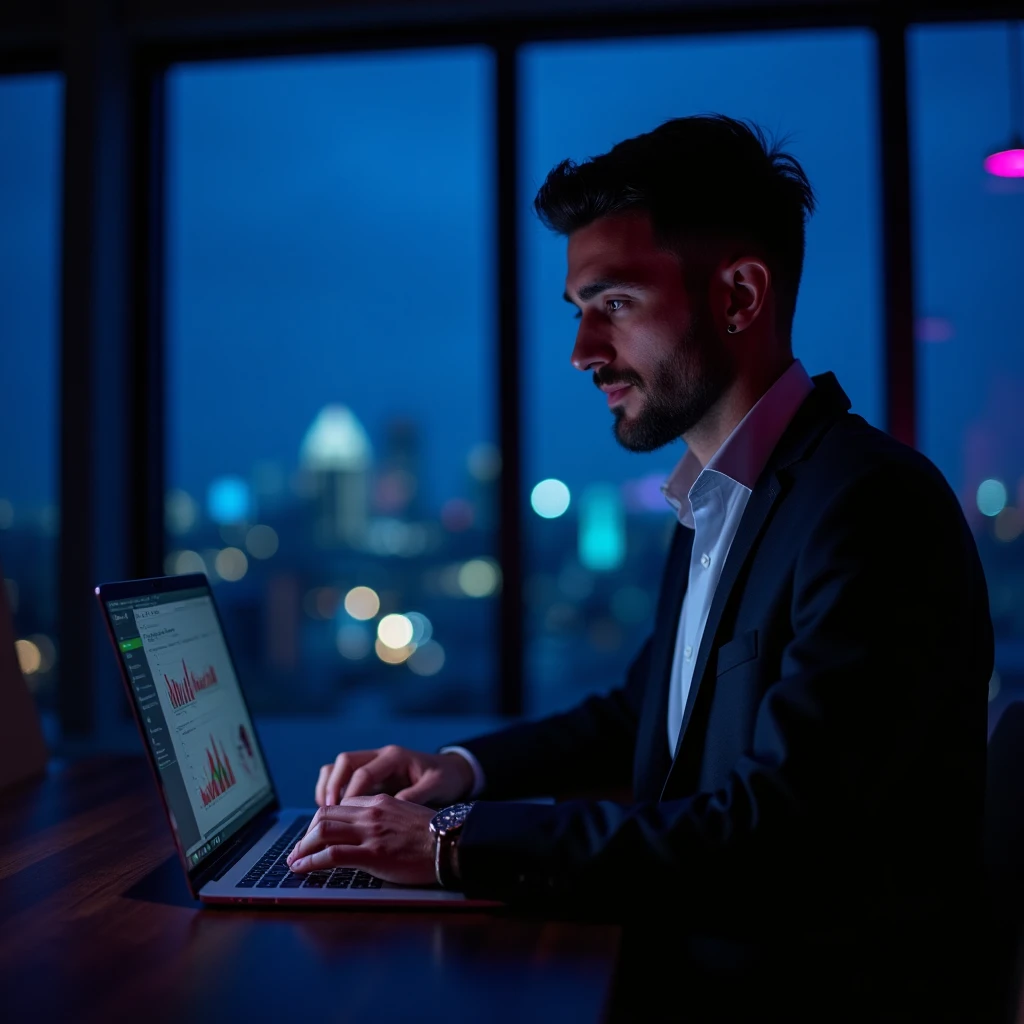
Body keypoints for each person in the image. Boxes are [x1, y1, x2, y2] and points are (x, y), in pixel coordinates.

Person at [286, 115, 992, 954]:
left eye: (615, 304)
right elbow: (644, 717)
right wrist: (460, 773)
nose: (583, 352)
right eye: (579, 311)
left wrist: (453, 846)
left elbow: (780, 831)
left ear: (738, 296)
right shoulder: (720, 498)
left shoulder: (870, 507)